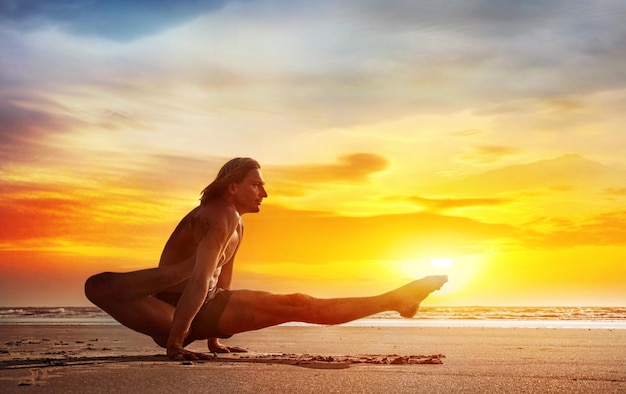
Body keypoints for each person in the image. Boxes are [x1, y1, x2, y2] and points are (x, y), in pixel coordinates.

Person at [84, 157, 448, 361]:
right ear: (233, 187)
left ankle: (396, 300)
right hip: (169, 312)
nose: (265, 192)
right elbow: (200, 280)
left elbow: (221, 280)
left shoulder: (236, 221)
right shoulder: (218, 214)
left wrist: (214, 339)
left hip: (206, 308)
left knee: (299, 303)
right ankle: (394, 300)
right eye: (257, 184)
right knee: (97, 286)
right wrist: (176, 343)